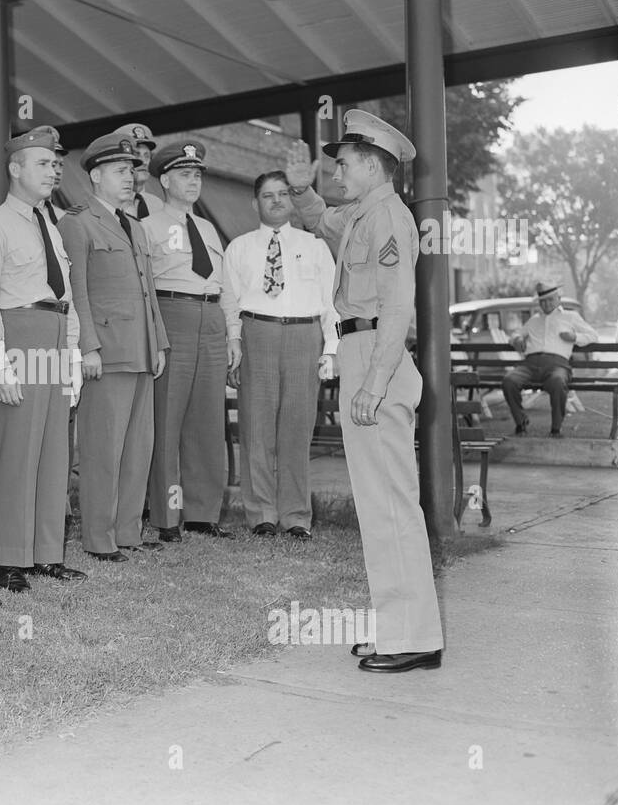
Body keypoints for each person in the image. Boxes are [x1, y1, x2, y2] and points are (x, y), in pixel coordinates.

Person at [285, 110, 443, 674]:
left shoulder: (390, 218)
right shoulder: (363, 214)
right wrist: (300, 189)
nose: (337, 174)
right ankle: (398, 627)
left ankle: (414, 637)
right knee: (379, 506)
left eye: (345, 164)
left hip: (378, 355)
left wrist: (374, 384)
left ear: (374, 166)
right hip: (361, 351)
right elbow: (322, 221)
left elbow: (397, 307)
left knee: (391, 504)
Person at [0, 126, 87, 593]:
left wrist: (72, 356)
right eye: (43, 163)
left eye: (55, 163)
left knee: (53, 450)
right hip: (18, 334)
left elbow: (66, 296)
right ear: (15, 168)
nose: (54, 170)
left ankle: (47, 553)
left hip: (53, 333)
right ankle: (9, 558)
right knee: (15, 450)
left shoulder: (51, 225)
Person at [58, 131, 168, 562]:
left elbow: (147, 291)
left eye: (132, 170)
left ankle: (127, 532)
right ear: (95, 175)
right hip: (106, 351)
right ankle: (99, 538)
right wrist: (87, 346)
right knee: (103, 450)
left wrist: (159, 343)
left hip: (140, 349)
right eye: (120, 170)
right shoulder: (77, 222)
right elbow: (77, 290)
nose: (130, 177)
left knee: (138, 449)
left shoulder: (134, 226)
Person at [222, 169, 337, 539]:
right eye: (268, 195)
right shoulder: (239, 248)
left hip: (304, 336)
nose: (276, 201)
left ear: (292, 200)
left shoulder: (314, 245)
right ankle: (261, 514)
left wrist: (331, 350)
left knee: (297, 428)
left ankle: (296, 515)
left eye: (283, 194)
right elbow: (229, 304)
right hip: (257, 333)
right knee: (256, 428)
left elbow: (331, 303)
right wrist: (234, 342)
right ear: (255, 203)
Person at [141, 140, 234, 543]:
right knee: (167, 420)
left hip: (210, 317)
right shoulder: (147, 227)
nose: (193, 181)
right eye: (184, 174)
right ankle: (167, 514)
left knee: (208, 421)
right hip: (173, 314)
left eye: (197, 175)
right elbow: (144, 288)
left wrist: (232, 335)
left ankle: (202, 513)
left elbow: (226, 287)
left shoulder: (209, 228)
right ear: (164, 180)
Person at [502, 282, 598, 436]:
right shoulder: (534, 319)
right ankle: (521, 422)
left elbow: (593, 335)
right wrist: (517, 338)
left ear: (558, 299)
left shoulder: (570, 316)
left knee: (557, 382)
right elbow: (515, 334)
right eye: (543, 301)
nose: (546, 304)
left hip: (557, 365)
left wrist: (574, 337)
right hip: (530, 364)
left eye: (550, 300)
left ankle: (556, 428)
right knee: (509, 381)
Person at [113, 122, 163, 219]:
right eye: (136, 155)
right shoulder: (111, 205)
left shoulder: (157, 205)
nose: (144, 162)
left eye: (147, 155)